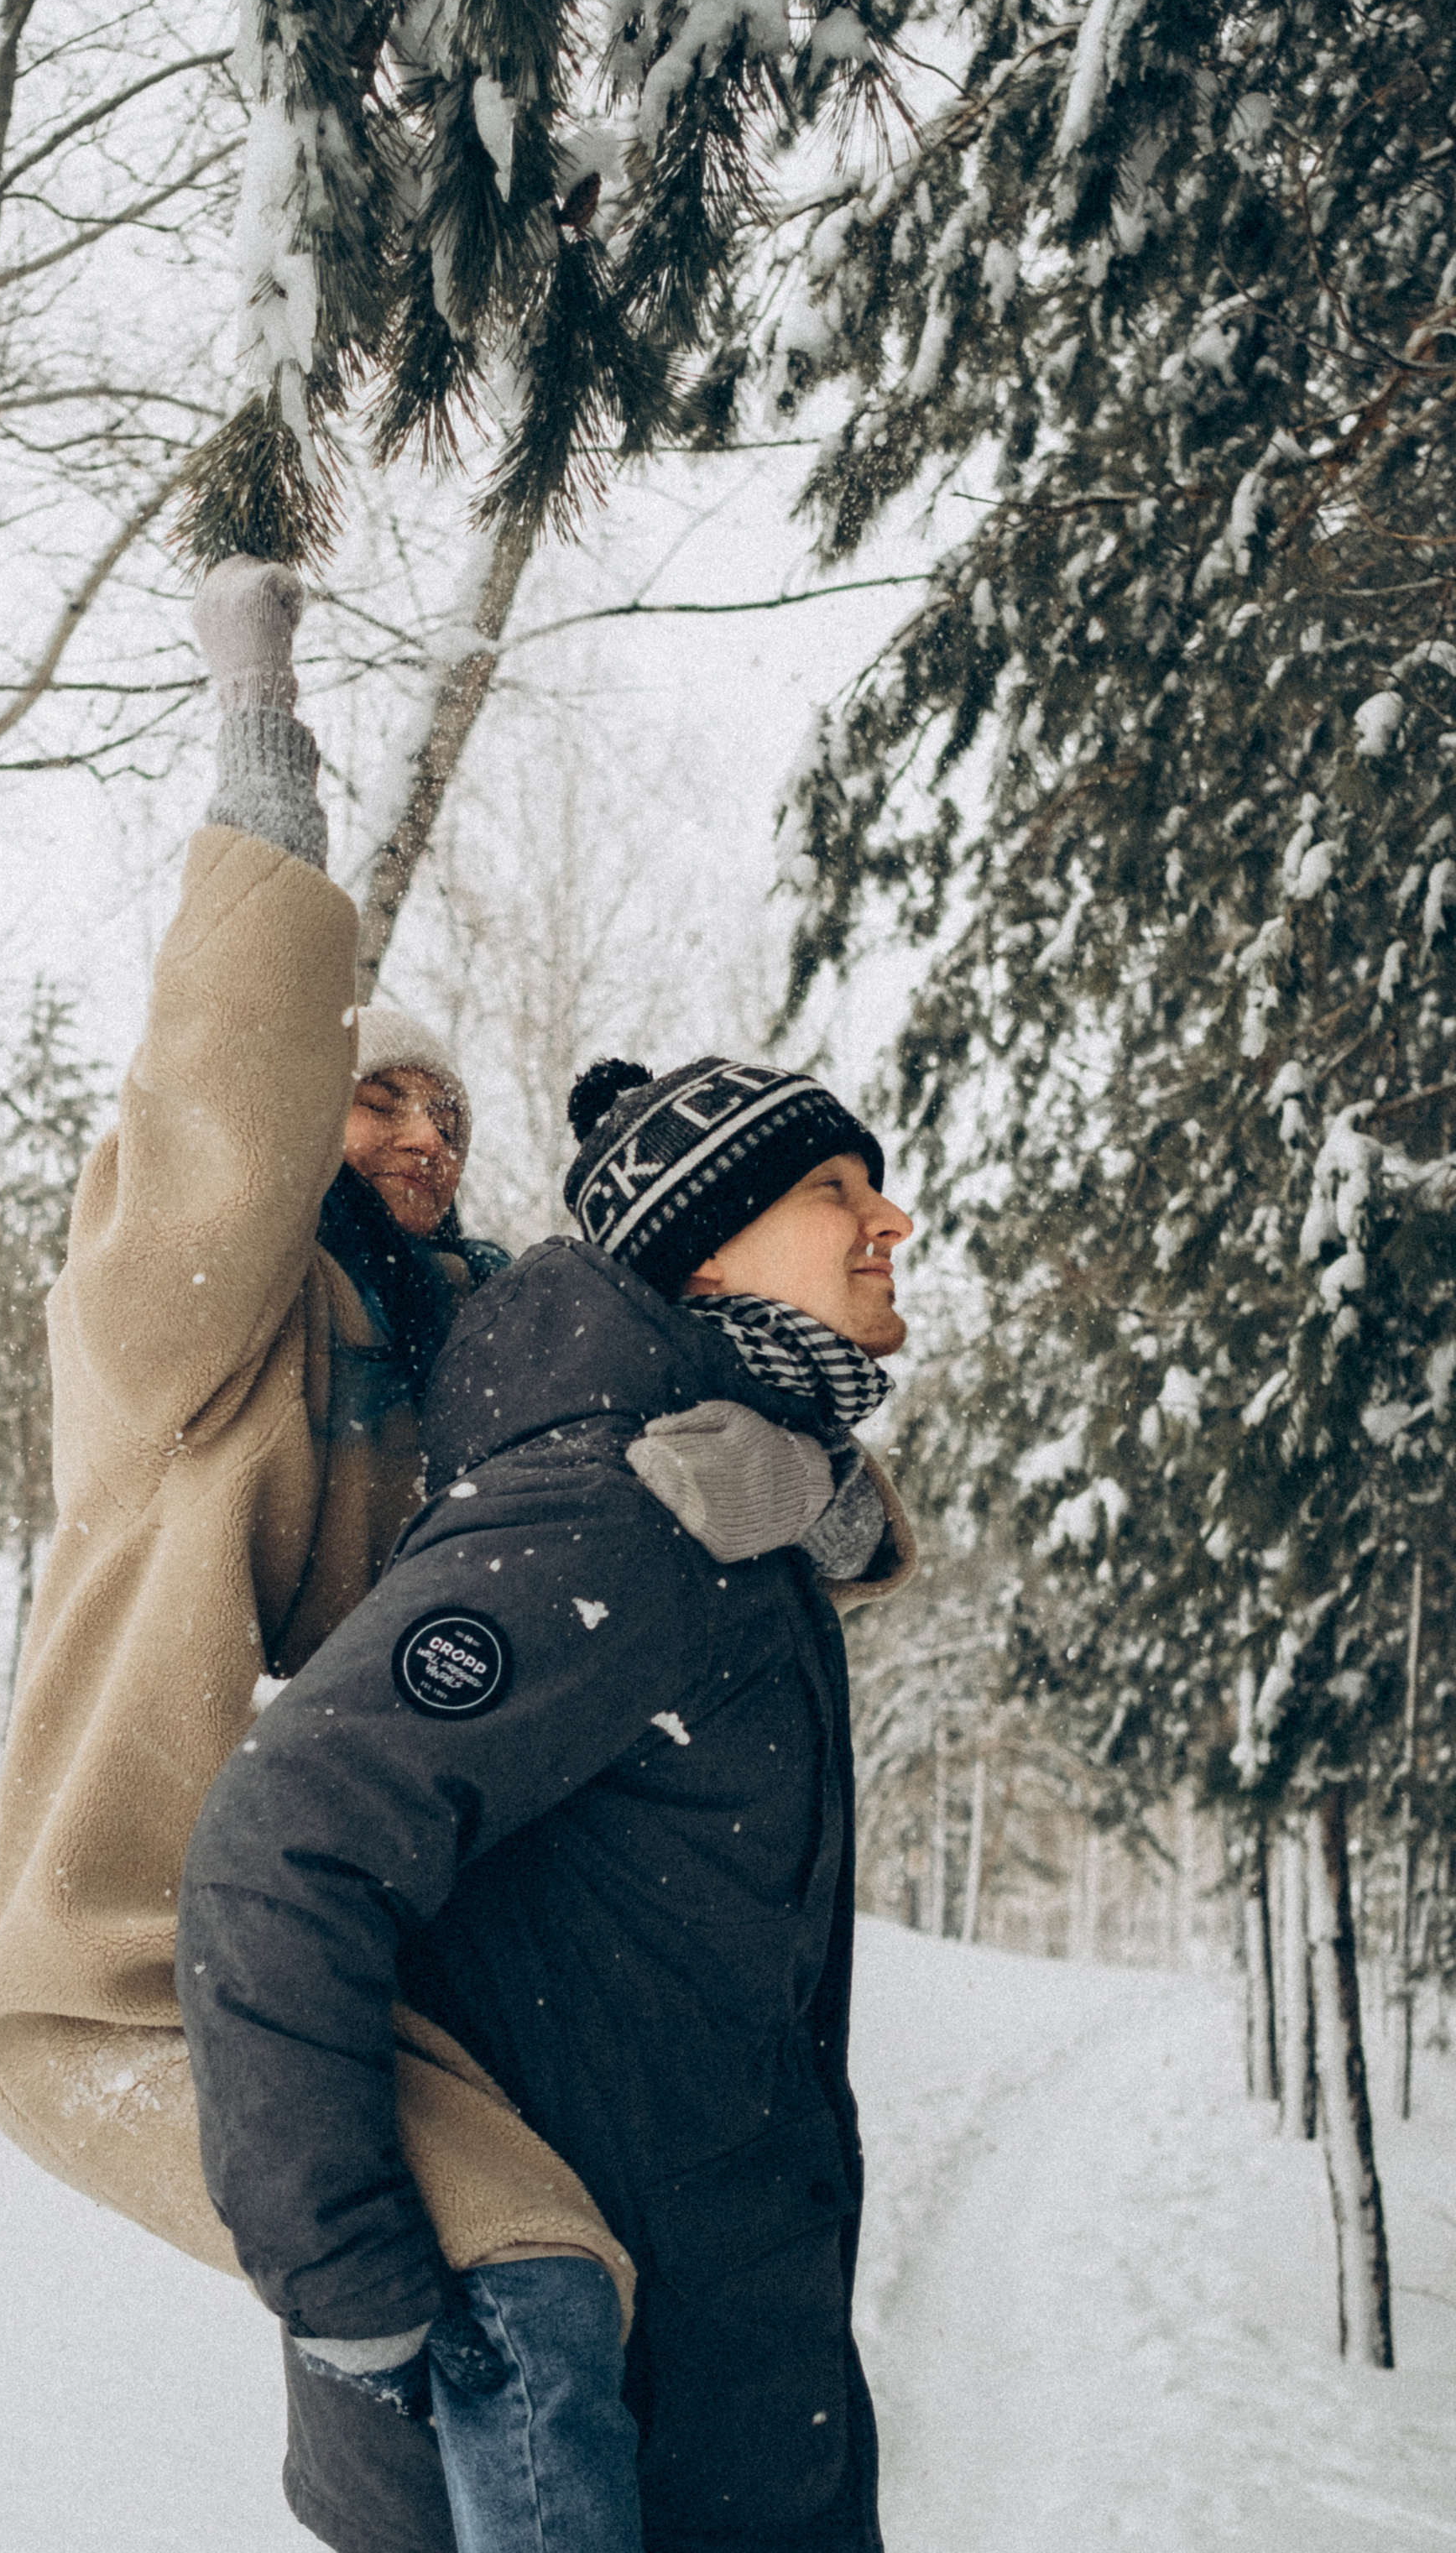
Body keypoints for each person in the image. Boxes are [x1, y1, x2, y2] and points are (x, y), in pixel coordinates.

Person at [0, 560, 637, 2553]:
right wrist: (264, 753)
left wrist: (815, 1507)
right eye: (375, 1097)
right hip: (126, 1975)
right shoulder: (180, 1322)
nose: (421, 1135)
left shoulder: (441, 1365)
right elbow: (213, 1095)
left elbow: (603, 1537)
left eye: (445, 1108)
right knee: (517, 2287)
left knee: (486, 2353)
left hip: (348, 1965)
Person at [179, 1052, 919, 2553]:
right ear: (703, 1251)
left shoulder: (727, 1488)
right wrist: (358, 2295)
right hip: (589, 2449)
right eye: (832, 1190)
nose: (887, 1221)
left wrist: (829, 1499)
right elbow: (279, 1850)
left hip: (719, 2393)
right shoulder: (618, 1511)